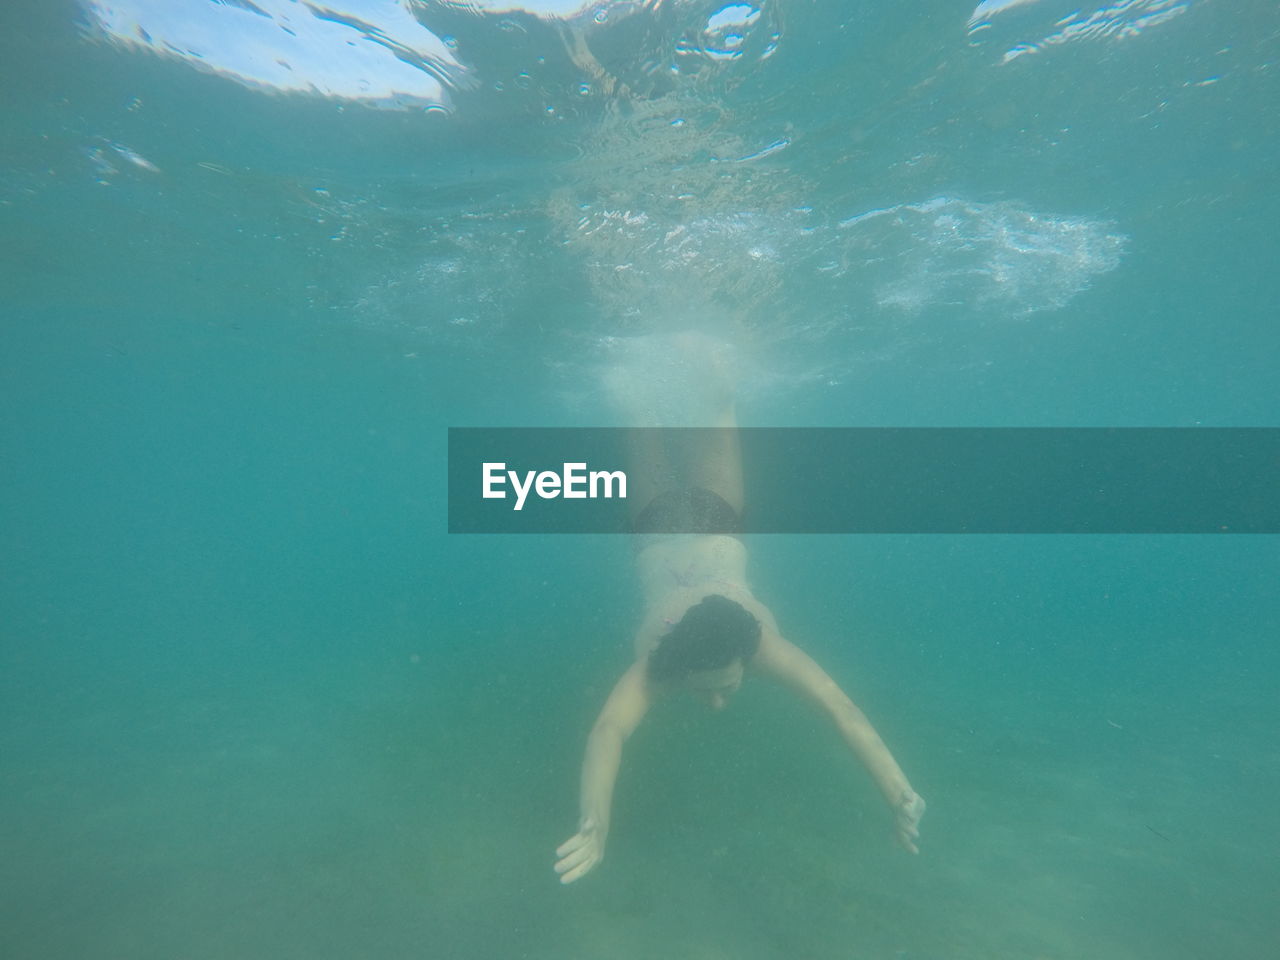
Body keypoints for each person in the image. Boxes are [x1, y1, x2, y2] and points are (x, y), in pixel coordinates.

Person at [553, 333, 926, 884]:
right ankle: (680, 341)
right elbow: (839, 710)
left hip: (698, 523)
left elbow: (610, 730)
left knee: (698, 409)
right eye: (715, 688)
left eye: (720, 686)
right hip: (664, 529)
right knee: (656, 415)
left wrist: (901, 793)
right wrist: (595, 822)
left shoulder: (703, 653)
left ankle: (667, 340)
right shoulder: (705, 655)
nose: (718, 702)